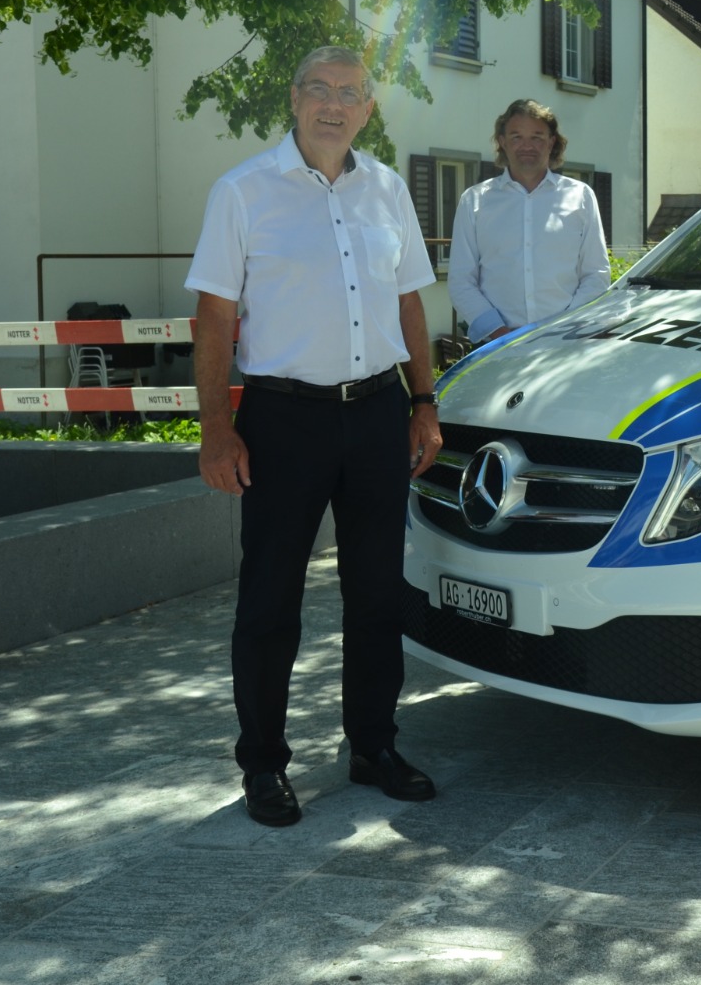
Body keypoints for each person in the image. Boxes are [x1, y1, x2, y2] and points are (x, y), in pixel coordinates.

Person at [187, 45, 445, 827]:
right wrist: (216, 430)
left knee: (377, 596)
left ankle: (373, 746)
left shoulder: (389, 190)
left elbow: (409, 307)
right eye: (320, 90)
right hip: (282, 420)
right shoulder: (242, 193)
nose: (335, 105)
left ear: (369, 109)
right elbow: (214, 320)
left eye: (351, 93)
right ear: (294, 100)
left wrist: (423, 402)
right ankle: (262, 764)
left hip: (374, 416)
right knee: (270, 603)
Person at [448, 99, 610, 343]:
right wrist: (500, 335)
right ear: (502, 142)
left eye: (537, 137)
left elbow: (596, 274)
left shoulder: (581, 196)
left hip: (567, 345)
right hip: (498, 347)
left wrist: (562, 329)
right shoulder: (474, 201)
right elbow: (461, 280)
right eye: (516, 137)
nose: (527, 146)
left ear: (551, 142)